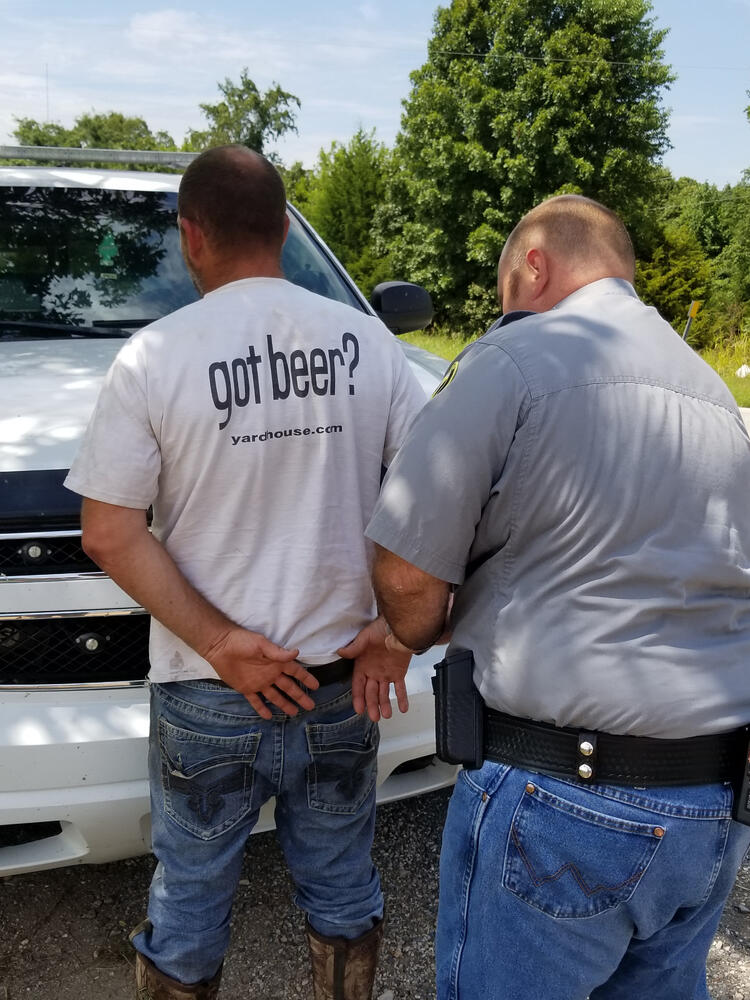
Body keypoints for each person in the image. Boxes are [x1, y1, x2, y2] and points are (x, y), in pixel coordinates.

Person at [366, 194, 750, 999]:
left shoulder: (512, 363)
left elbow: (405, 569)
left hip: (561, 801)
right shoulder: (717, 397)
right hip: (711, 810)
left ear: (534, 265)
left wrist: (422, 629)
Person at [64, 144, 422, 1000]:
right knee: (342, 890)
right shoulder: (370, 347)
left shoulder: (154, 357)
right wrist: (399, 634)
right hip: (341, 684)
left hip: (208, 689)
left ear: (192, 236)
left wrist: (224, 644)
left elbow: (109, 534)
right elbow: (442, 509)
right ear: (286, 227)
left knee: (189, 904)